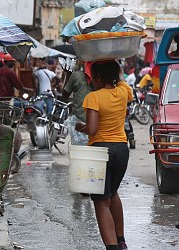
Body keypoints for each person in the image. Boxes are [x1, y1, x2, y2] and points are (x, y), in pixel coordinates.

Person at [75, 60, 132, 250]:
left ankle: (112, 247)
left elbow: (92, 129)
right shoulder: (124, 91)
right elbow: (121, 76)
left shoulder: (94, 97)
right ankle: (121, 240)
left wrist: (81, 127)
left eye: (92, 76)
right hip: (121, 150)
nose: (90, 80)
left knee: (101, 202)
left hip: (100, 151)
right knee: (113, 193)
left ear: (98, 77)